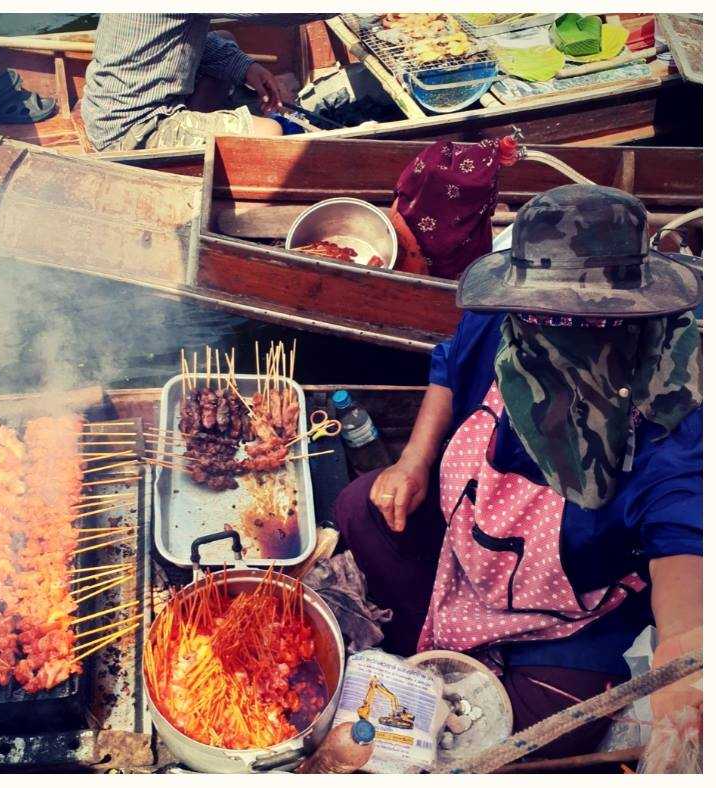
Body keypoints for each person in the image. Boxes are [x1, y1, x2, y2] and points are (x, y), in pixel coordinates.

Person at [335, 184, 702, 762]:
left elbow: (684, 537)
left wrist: (684, 657)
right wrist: (415, 461)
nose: (550, 329)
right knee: (361, 508)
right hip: (469, 543)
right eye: (541, 315)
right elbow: (448, 363)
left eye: (581, 320)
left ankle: (481, 668)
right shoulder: (512, 320)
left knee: (546, 729)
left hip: (568, 611)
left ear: (629, 317)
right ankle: (427, 646)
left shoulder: (670, 410)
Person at [82, 13, 331, 152]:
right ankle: (190, 149)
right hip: (132, 130)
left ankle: (200, 133)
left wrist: (245, 66)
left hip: (104, 109)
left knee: (225, 39)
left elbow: (188, 39)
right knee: (271, 132)